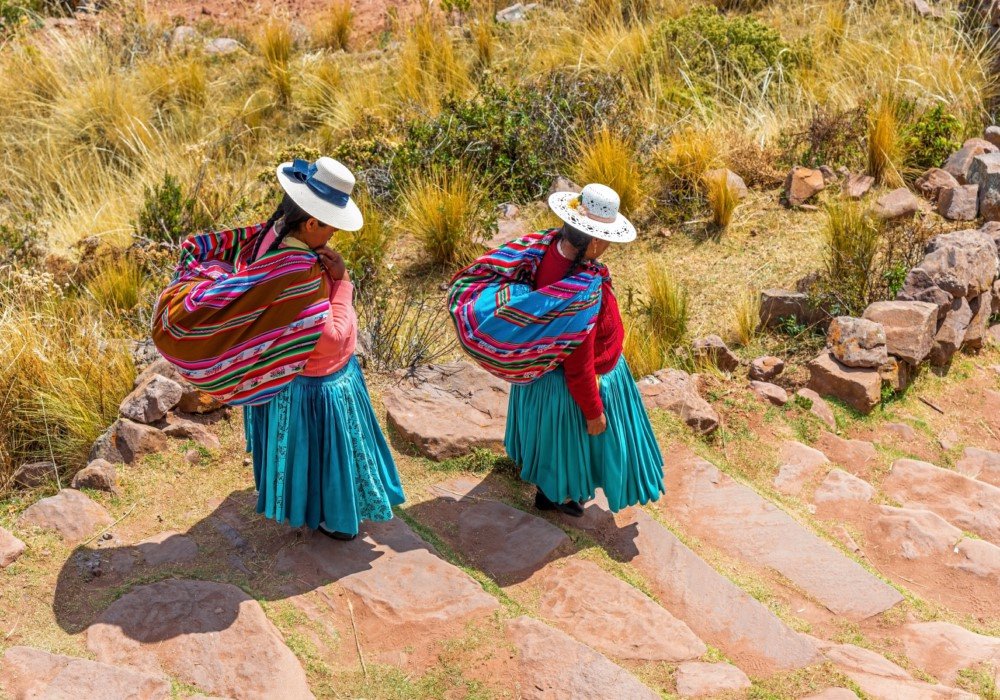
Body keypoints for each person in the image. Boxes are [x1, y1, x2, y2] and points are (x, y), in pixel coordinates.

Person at [153, 157, 404, 540]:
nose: (335, 234)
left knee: (302, 461)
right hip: (314, 387)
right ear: (311, 223)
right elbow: (333, 338)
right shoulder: (303, 272)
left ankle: (304, 504)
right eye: (331, 227)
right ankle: (334, 519)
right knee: (325, 462)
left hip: (283, 383)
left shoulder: (265, 236)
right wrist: (343, 285)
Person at [504, 184, 664, 516]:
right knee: (578, 439)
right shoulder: (578, 292)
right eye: (607, 240)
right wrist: (593, 412)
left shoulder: (549, 247)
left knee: (556, 443)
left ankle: (554, 485)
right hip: (570, 382)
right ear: (593, 241)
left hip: (542, 372)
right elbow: (578, 365)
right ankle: (556, 494)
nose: (608, 247)